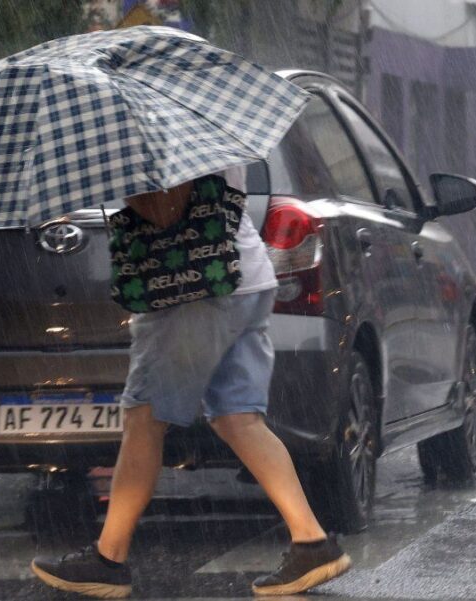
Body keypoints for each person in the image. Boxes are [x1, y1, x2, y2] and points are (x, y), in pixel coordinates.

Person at [30, 170, 351, 598]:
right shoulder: (194, 117)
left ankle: (108, 560)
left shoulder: (150, 125)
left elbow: (166, 208)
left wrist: (125, 190)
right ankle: (311, 542)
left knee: (144, 420)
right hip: (240, 277)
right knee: (239, 420)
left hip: (188, 292)